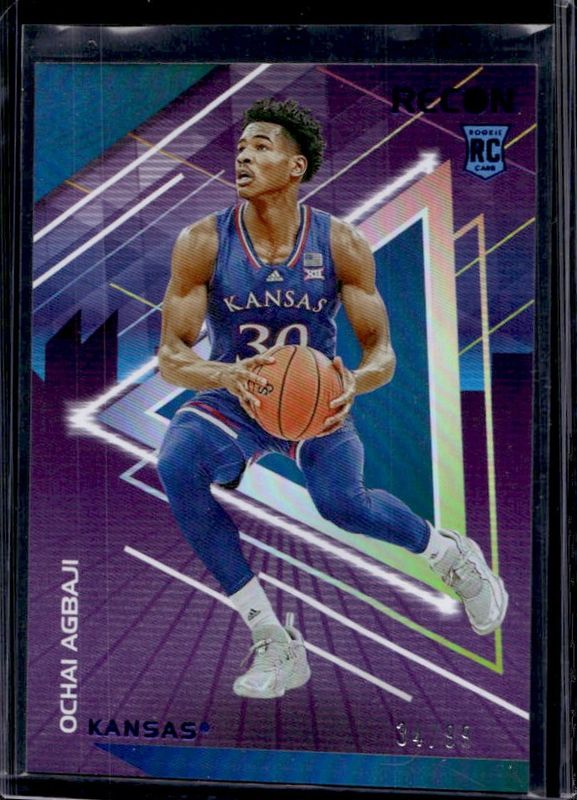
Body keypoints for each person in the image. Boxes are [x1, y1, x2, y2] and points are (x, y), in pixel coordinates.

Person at [157, 98, 508, 700]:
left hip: (315, 405)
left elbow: (382, 352)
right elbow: (171, 355)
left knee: (342, 505)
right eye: (240, 146)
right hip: (235, 395)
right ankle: (273, 638)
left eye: (261, 146)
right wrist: (223, 374)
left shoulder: (341, 241)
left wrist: (354, 383)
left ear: (296, 166)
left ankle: (447, 552)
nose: (243, 155)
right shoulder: (202, 241)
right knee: (176, 464)